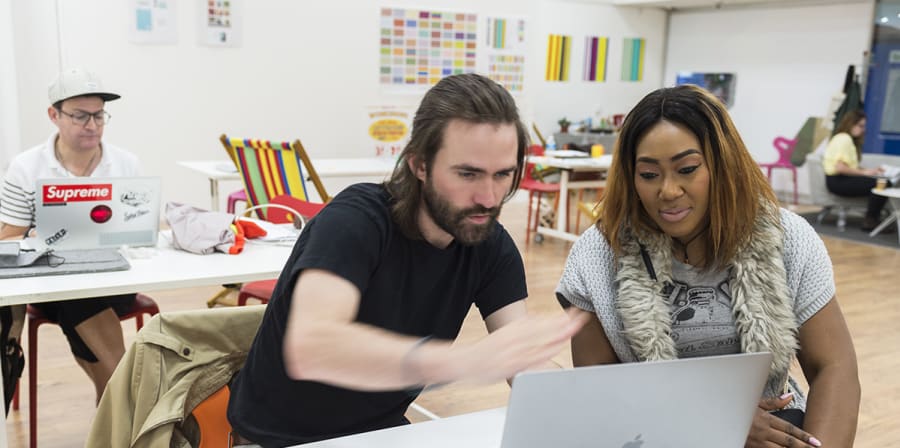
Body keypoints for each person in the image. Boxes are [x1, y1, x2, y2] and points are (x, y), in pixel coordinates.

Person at [226, 73, 587, 446]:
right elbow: (313, 348)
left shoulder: (491, 245)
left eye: (503, 175)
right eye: (468, 174)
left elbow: (520, 361)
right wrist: (465, 360)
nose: (488, 197)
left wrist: (576, 401)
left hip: (380, 432)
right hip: (278, 438)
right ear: (419, 164)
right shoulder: (355, 220)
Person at [556, 85, 860, 447]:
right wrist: (716, 421)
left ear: (723, 165)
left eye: (687, 169)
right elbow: (601, 395)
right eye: (649, 175)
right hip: (651, 435)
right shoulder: (597, 255)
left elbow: (835, 368)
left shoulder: (788, 238)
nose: (668, 191)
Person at [0, 68, 140, 403]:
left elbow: (139, 227)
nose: (92, 125)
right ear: (54, 115)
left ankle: (114, 405)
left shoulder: (125, 164)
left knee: (80, 299)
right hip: (51, 283)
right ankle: (120, 404)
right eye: (80, 116)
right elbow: (8, 242)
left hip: (111, 278)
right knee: (76, 297)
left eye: (99, 116)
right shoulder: (26, 166)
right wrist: (37, 237)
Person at [823, 109, 890, 231]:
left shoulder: (844, 138)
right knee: (882, 183)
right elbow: (840, 168)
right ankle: (870, 220)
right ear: (851, 123)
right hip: (838, 181)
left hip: (840, 180)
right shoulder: (844, 139)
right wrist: (865, 173)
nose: (863, 129)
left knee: (880, 181)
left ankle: (872, 218)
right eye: (860, 125)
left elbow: (850, 167)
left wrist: (872, 171)